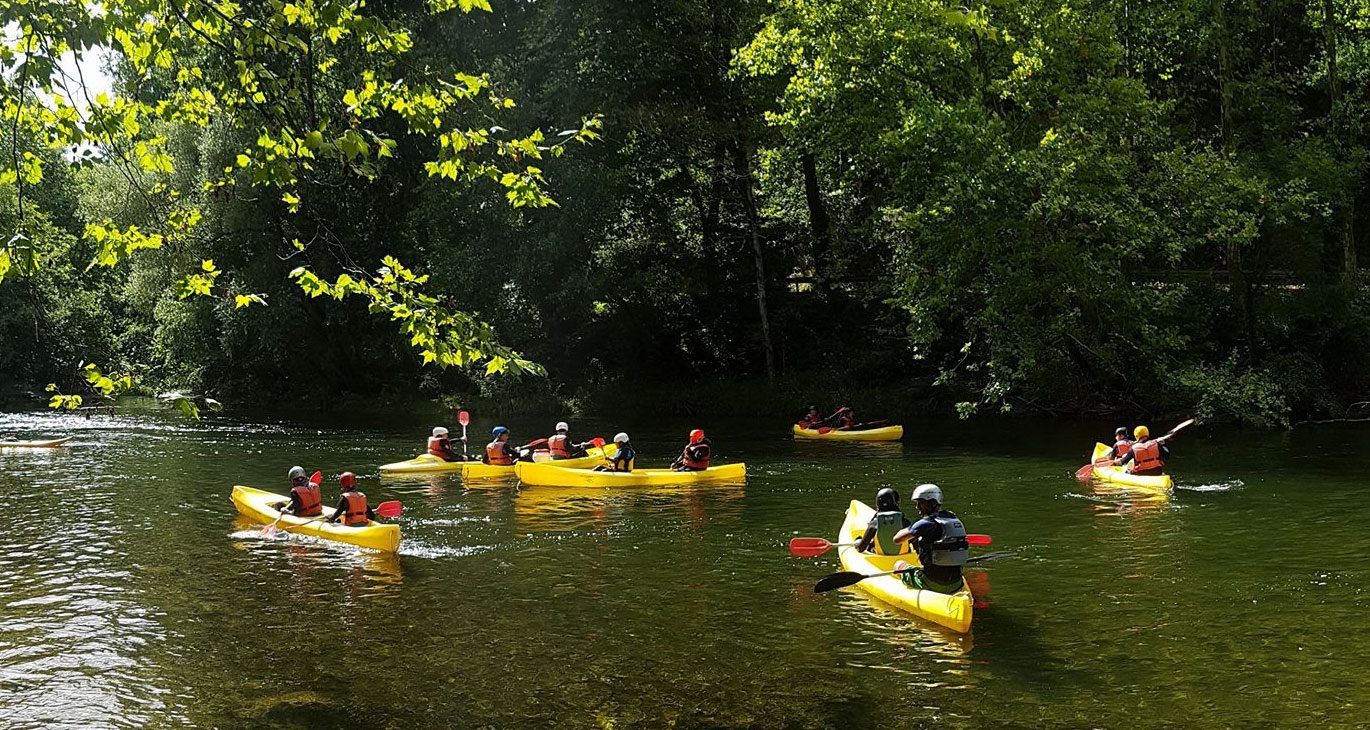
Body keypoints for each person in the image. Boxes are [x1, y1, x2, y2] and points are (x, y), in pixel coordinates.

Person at [889, 483, 968, 595]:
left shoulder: (926, 523)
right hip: (957, 583)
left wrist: (915, 531)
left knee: (899, 564)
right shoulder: (954, 519)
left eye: (920, 503)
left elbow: (897, 539)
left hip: (932, 584)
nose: (917, 507)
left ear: (932, 503)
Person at [854, 487, 913, 555]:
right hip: (904, 558)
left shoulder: (874, 524)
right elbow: (915, 544)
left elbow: (861, 549)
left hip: (881, 561)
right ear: (896, 503)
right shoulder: (906, 522)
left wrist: (858, 542)